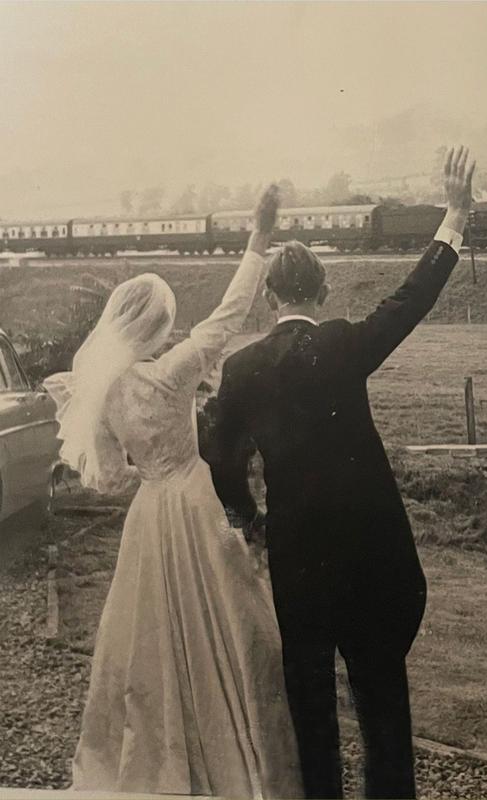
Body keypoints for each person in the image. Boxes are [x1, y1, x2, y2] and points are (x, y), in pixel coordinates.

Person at [203, 146, 475, 799]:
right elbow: (411, 298)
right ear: (322, 293)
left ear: (271, 297)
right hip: (373, 553)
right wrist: (456, 215)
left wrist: (248, 518)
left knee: (312, 712)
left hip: (298, 558)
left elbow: (220, 457)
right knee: (384, 708)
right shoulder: (346, 343)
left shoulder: (242, 371)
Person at [44, 187, 301, 797]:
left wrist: (143, 473)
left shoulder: (103, 389)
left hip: (149, 513)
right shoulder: (170, 375)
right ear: (158, 324)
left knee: (147, 640)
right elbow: (228, 317)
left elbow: (105, 476)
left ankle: (160, 756)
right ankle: (237, 753)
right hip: (194, 499)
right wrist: (258, 240)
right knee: (239, 625)